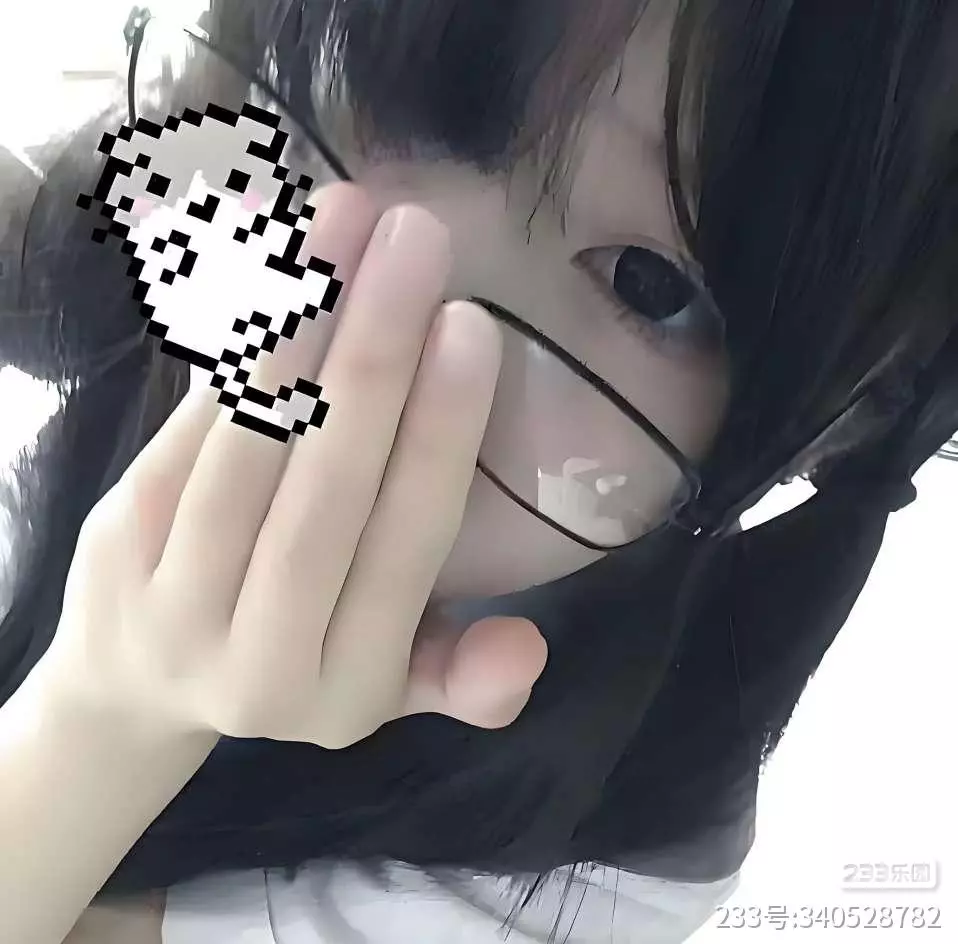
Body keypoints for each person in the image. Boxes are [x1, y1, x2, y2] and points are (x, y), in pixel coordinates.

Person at [1, 1, 956, 942]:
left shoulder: (607, 857)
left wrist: (111, 716)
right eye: (369, 93)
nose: (394, 295)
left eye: (646, 284)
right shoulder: (190, 214)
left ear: (833, 427)